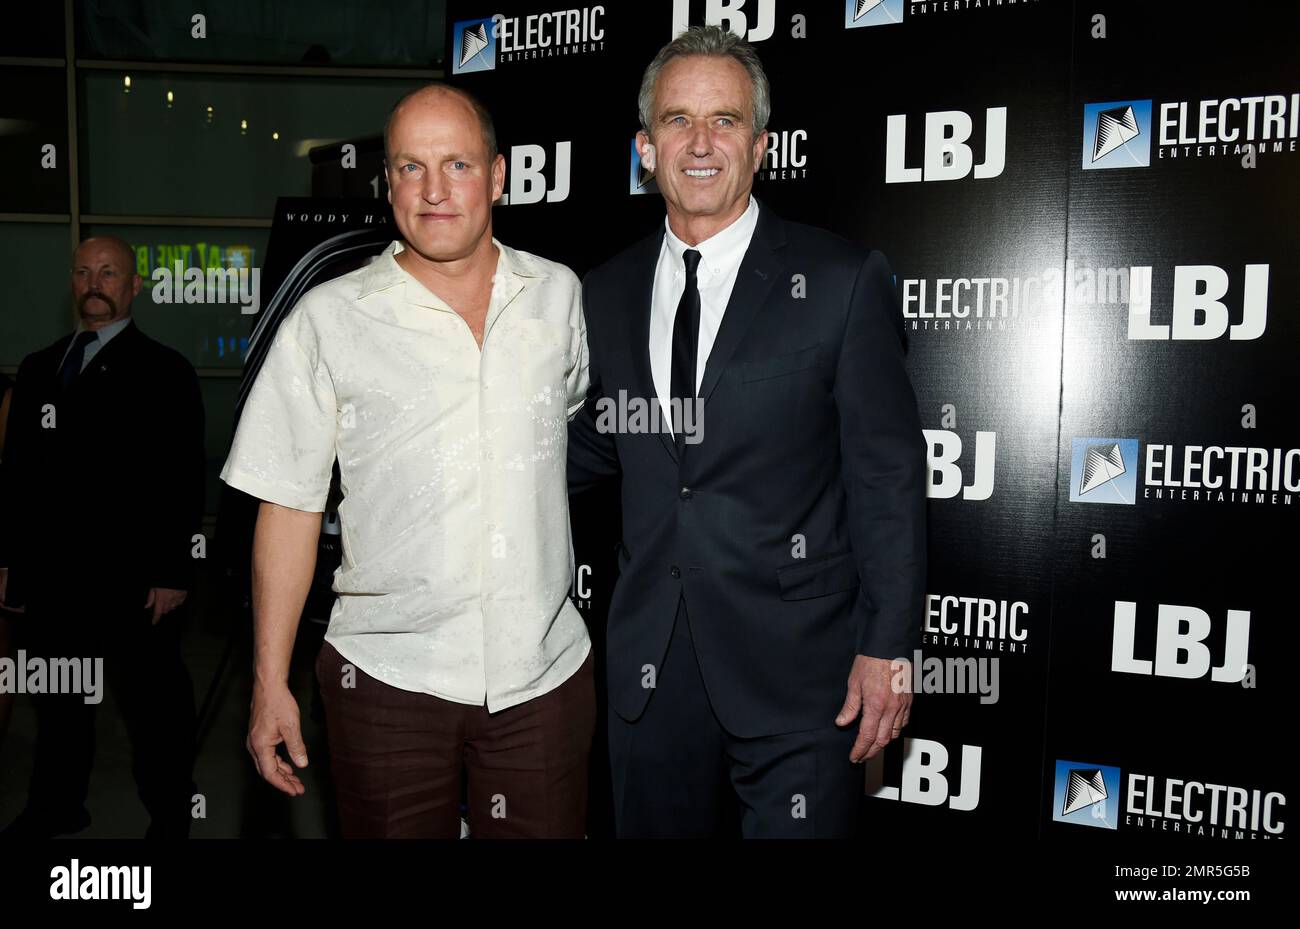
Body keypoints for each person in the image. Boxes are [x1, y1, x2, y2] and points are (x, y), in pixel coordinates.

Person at [568, 26, 928, 838]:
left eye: (724, 121)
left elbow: (888, 478)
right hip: (650, 673)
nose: (700, 143)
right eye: (676, 121)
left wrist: (889, 647)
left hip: (802, 674)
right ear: (644, 146)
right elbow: (591, 447)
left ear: (760, 146)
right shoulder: (602, 292)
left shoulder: (839, 281)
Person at [223, 83, 595, 839]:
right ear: (385, 183)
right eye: (409, 168)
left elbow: (563, 419)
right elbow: (289, 506)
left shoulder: (557, 295)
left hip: (542, 679)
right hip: (385, 684)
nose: (433, 191)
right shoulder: (329, 318)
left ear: (496, 176)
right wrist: (269, 682)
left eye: (457, 165)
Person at [0, 236, 205, 839]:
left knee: (154, 710)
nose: (95, 282)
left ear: (133, 286)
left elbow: (184, 474)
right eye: (84, 271)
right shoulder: (40, 366)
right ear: (72, 282)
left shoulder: (165, 370)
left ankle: (171, 815)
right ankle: (55, 807)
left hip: (134, 581)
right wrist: (8, 559)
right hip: (51, 579)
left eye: (109, 272)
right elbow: (16, 473)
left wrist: (174, 571)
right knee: (60, 705)